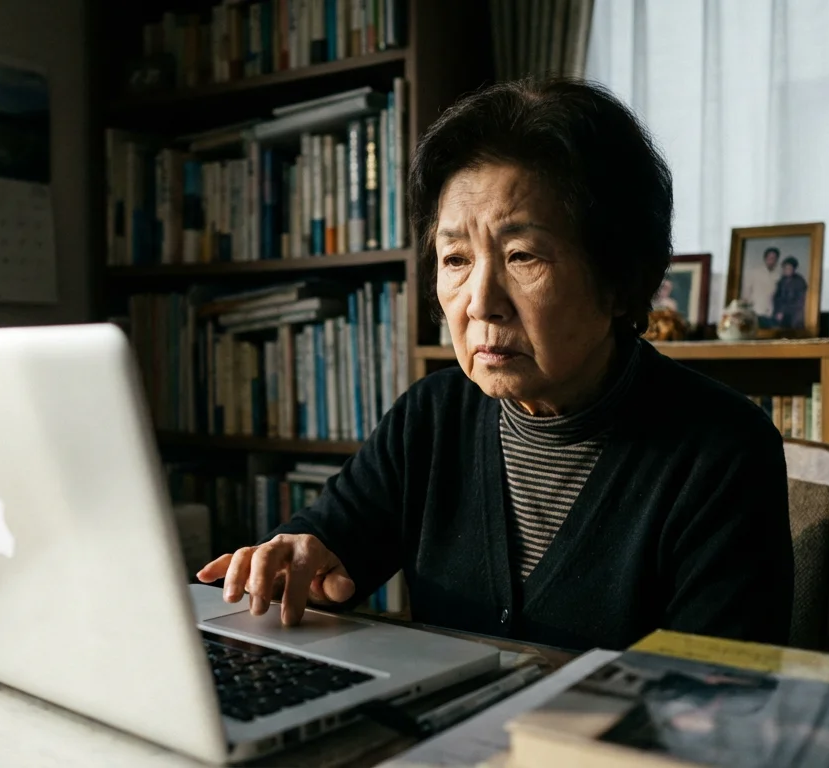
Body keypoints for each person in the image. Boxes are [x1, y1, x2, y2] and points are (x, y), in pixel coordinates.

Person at [196, 78, 794, 652]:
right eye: (455, 258)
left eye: (521, 255)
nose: (480, 302)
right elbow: (330, 539)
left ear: (619, 280)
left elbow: (716, 703)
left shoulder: (722, 452)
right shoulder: (431, 418)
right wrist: (296, 558)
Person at [739, 247, 780, 328]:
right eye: (770, 257)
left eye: (774, 258)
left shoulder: (778, 275)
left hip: (771, 313)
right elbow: (746, 292)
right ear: (765, 258)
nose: (772, 260)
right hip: (756, 311)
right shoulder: (754, 272)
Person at [771, 257, 808, 329]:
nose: (787, 270)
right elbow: (777, 298)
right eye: (785, 268)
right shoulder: (781, 281)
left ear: (794, 269)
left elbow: (799, 302)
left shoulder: (799, 282)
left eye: (789, 268)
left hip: (794, 316)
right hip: (781, 315)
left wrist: (783, 312)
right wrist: (778, 311)